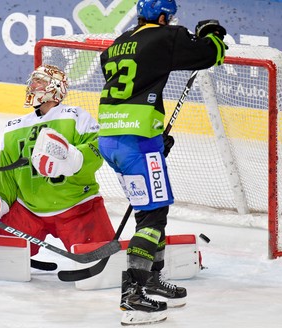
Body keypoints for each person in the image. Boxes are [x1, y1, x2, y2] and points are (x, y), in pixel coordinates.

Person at [97, 0, 227, 325]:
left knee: (152, 208)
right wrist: (211, 34)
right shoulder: (165, 36)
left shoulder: (114, 46)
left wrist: (154, 134)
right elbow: (211, 54)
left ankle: (152, 278)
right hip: (135, 143)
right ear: (163, 16)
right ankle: (133, 295)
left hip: (112, 139)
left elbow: (135, 87)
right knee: (152, 216)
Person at [0, 64, 116, 263]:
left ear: (56, 87)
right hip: (28, 211)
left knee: (105, 259)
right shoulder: (13, 128)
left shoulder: (76, 116)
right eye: (32, 80)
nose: (32, 85)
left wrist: (74, 158)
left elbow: (98, 148)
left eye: (40, 80)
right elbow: (6, 176)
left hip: (78, 208)